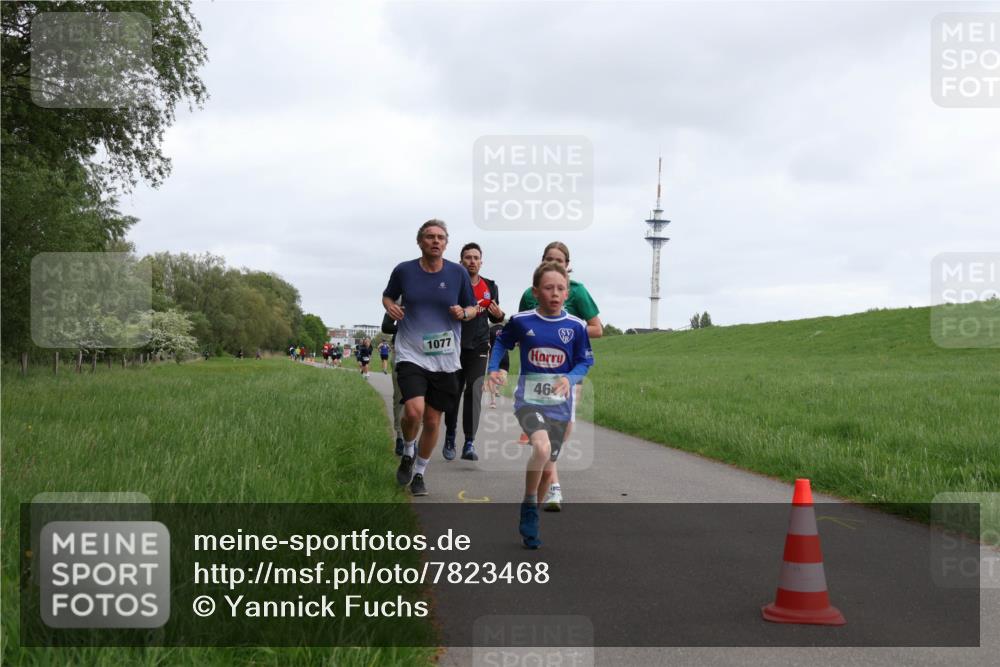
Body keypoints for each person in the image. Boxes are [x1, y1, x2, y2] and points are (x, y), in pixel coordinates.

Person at [488, 262, 593, 549]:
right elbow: (501, 343)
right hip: (529, 401)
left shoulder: (576, 326)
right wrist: (493, 369)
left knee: (548, 468)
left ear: (567, 292)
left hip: (560, 405)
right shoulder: (522, 321)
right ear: (536, 291)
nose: (555, 294)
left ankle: (532, 502)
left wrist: (570, 378)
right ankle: (530, 506)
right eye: (548, 288)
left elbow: (585, 360)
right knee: (541, 448)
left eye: (560, 289)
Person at [382, 219, 476, 496]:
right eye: (430, 237)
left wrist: (464, 313)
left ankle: (420, 472)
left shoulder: (457, 273)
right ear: (420, 241)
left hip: (445, 358)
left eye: (441, 237)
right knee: (413, 411)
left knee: (433, 421)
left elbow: (472, 307)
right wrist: (391, 308)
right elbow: (388, 297)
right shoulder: (404, 270)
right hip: (411, 352)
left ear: (446, 243)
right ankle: (408, 449)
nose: (435, 241)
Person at [517, 241, 603, 512]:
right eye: (548, 258)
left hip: (567, 374)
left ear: (568, 266)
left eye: (560, 260)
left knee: (563, 432)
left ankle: (547, 475)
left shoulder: (577, 292)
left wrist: (566, 332)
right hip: (536, 375)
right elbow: (519, 331)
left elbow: (597, 329)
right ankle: (553, 486)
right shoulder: (529, 294)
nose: (554, 263)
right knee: (543, 442)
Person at [442, 242, 505, 462]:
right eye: (467, 257)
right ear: (461, 261)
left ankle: (469, 441)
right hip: (454, 346)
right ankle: (450, 434)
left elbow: (496, 317)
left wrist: (499, 315)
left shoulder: (490, 286)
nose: (472, 261)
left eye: (476, 258)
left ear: (481, 261)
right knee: (453, 392)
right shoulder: (451, 284)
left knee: (474, 391)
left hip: (479, 345)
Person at [382, 308, 406, 455]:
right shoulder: (400, 297)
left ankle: (414, 437)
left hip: (426, 351)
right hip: (401, 350)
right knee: (400, 396)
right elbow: (386, 325)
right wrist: (407, 326)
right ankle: (400, 437)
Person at [488, 322, 509, 408]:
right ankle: (497, 387)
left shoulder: (490, 330)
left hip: (494, 356)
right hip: (505, 356)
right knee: (503, 377)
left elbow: (488, 344)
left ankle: (493, 402)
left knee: (492, 379)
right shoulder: (507, 329)